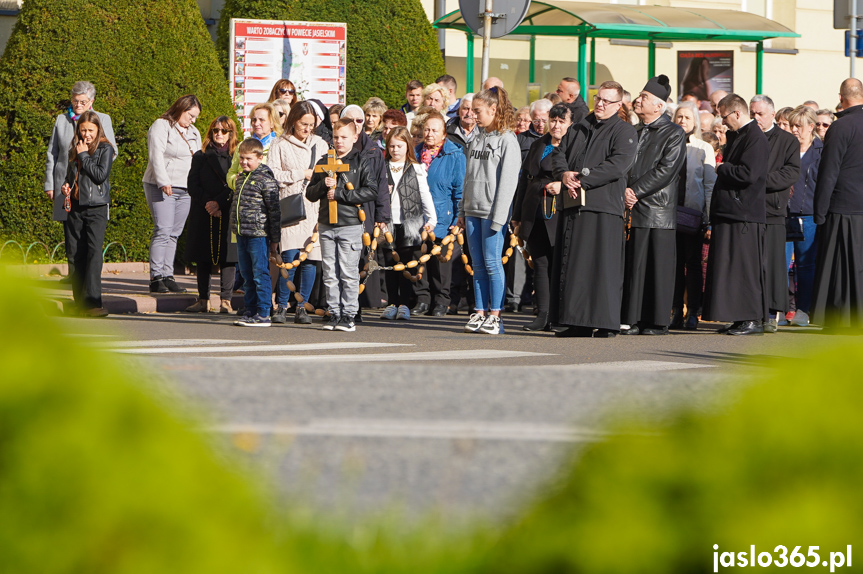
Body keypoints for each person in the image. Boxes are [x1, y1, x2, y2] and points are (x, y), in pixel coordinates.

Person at [550, 81, 638, 338]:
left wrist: (581, 180)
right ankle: (576, 321)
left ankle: (605, 322)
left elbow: (617, 165)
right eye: (598, 98)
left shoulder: (624, 132)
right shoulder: (578, 127)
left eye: (607, 101)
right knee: (576, 267)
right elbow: (559, 154)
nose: (600, 104)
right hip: (574, 205)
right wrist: (565, 174)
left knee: (602, 268)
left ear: (618, 105)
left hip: (603, 207)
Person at [620, 75, 687, 336]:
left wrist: (634, 191)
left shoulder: (674, 133)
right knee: (635, 267)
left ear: (659, 106)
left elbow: (667, 170)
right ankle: (633, 318)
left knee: (657, 268)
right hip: (632, 208)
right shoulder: (635, 131)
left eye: (644, 97)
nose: (638, 100)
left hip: (658, 211)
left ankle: (657, 321)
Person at [702, 93, 769, 336]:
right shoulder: (739, 136)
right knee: (732, 269)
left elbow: (749, 174)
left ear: (737, 113)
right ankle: (739, 317)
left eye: (725, 116)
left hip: (744, 214)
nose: (723, 122)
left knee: (745, 269)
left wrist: (722, 167)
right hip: (732, 212)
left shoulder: (755, 138)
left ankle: (751, 318)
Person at [456, 87, 520, 335]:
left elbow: (508, 182)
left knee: (493, 263)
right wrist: (462, 209)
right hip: (473, 210)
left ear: (494, 110)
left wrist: (500, 216)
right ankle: (480, 311)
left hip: (493, 212)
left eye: (478, 111)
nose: (473, 115)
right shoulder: (477, 138)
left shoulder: (507, 140)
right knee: (478, 264)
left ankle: (495, 315)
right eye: (472, 110)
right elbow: (469, 176)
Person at [306, 118, 379, 332]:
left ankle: (349, 314)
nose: (339, 141)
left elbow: (371, 190)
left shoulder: (360, 161)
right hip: (327, 223)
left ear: (355, 138)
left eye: (344, 137)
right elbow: (310, 194)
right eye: (336, 137)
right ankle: (334, 312)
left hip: (350, 223)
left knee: (348, 271)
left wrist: (341, 193)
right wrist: (322, 184)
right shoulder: (323, 161)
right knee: (329, 271)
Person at [45, 81, 117, 282]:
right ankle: (73, 275)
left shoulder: (102, 119)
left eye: (83, 101)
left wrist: (90, 164)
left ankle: (88, 278)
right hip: (66, 186)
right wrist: (49, 184)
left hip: (92, 187)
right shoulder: (61, 120)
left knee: (90, 238)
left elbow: (112, 151)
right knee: (70, 232)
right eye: (75, 101)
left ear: (91, 101)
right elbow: (53, 153)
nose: (78, 105)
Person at [512, 103, 572, 331]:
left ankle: (560, 314)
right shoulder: (538, 143)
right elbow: (524, 179)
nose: (556, 125)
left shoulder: (573, 145)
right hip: (534, 208)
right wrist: (517, 215)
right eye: (553, 121)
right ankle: (543, 314)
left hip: (558, 210)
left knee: (560, 264)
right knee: (539, 262)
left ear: (569, 124)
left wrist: (561, 183)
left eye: (561, 121)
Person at [268, 101, 328, 325]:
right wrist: (300, 173)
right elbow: (272, 173)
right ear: (293, 121)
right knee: (289, 258)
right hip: (290, 207)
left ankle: (301, 306)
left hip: (314, 208)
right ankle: (282, 306)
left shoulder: (320, 144)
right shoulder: (279, 144)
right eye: (304, 124)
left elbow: (328, 171)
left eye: (312, 124)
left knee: (311, 260)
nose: (308, 129)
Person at [811, 78, 863, 330]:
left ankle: (841, 320)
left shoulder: (841, 127)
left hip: (844, 205)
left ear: (841, 98)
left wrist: (819, 212)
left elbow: (828, 171)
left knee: (841, 266)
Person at [750, 95, 801, 332]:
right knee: (748, 265)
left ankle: (771, 314)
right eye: (753, 113)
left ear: (772, 114)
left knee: (772, 265)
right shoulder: (746, 136)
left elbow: (791, 172)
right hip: (747, 210)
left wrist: (758, 181)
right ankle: (748, 313)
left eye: (760, 113)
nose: (756, 118)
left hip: (772, 210)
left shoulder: (787, 141)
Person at [143, 94, 202, 294]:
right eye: (190, 115)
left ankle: (168, 276)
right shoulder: (162, 125)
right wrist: (163, 180)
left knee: (174, 233)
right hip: (163, 185)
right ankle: (156, 277)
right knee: (163, 229)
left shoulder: (194, 132)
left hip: (185, 188)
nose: (192, 120)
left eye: (195, 117)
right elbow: (156, 155)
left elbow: (198, 160)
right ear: (182, 109)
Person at [59, 111, 114, 317]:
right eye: (83, 130)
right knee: (74, 253)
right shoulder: (75, 147)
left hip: (96, 207)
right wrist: (66, 186)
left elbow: (100, 176)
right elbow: (70, 175)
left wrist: (84, 155)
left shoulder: (105, 148)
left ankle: (93, 302)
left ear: (98, 130)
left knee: (92, 253)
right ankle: (79, 302)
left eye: (91, 130)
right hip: (75, 206)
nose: (87, 134)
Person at [379, 127, 437, 320]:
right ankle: (392, 302)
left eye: (399, 146)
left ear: (407, 146)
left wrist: (432, 219)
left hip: (409, 222)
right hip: (388, 223)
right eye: (392, 146)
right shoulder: (381, 167)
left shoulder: (416, 168)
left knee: (406, 265)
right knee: (389, 265)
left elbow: (424, 194)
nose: (395, 150)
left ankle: (404, 303)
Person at [184, 116, 239, 314]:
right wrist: (208, 203)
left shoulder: (237, 156)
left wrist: (220, 203)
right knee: (203, 256)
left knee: (228, 256)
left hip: (227, 209)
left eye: (224, 131)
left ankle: (226, 300)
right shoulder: (200, 155)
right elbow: (193, 184)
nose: (219, 135)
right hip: (203, 210)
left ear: (231, 134)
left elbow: (236, 183)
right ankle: (203, 299)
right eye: (215, 130)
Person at [340, 104, 391, 313]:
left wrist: (382, 215)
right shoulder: (336, 147)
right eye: (350, 120)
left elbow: (381, 185)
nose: (356, 124)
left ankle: (361, 304)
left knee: (364, 254)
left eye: (359, 121)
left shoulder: (373, 151)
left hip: (367, 209)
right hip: (342, 209)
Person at [670, 101, 716, 330]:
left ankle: (693, 312)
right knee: (674, 265)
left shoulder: (703, 148)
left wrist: (708, 218)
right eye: (679, 116)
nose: (682, 121)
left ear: (695, 122)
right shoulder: (667, 145)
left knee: (694, 264)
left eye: (687, 117)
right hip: (668, 214)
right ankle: (676, 310)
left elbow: (709, 185)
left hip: (693, 215)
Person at [230, 139, 281, 326]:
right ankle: (250, 310)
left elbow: (274, 211)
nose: (244, 162)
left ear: (260, 158)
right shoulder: (242, 177)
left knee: (260, 273)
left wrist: (275, 239)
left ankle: (263, 311)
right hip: (242, 232)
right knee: (246, 274)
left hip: (258, 234)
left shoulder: (265, 180)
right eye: (241, 158)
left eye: (248, 159)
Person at [418, 111, 465, 316]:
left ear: (444, 133)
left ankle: (441, 301)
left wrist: (456, 219)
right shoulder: (415, 152)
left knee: (441, 263)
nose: (429, 134)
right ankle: (422, 299)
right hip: (418, 217)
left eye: (435, 130)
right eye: (427, 129)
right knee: (420, 259)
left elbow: (459, 192)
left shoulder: (455, 155)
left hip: (443, 216)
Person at [785, 105, 822, 328]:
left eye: (799, 126)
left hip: (808, 215)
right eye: (792, 126)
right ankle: (777, 311)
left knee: (805, 265)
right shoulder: (786, 148)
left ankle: (803, 310)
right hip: (785, 213)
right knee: (781, 265)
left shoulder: (821, 150)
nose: (795, 130)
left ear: (811, 126)